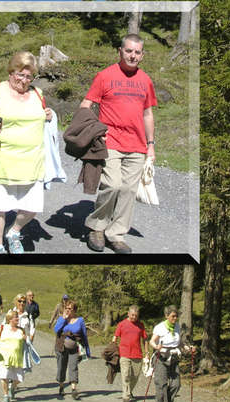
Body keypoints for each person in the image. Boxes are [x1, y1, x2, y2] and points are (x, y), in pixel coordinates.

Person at [80, 34, 157, 255]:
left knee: (129, 190)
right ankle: (96, 227)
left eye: (137, 52)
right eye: (129, 51)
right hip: (110, 141)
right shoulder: (105, 76)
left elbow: (148, 114)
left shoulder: (145, 80)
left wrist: (150, 144)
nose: (132, 55)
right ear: (120, 51)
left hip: (137, 144)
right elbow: (86, 106)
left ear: (143, 55)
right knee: (112, 185)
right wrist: (94, 132)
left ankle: (116, 234)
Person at [0, 51, 53, 254]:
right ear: (10, 71)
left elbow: (40, 117)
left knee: (32, 206)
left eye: (29, 76)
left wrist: (48, 115)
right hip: (0, 160)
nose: (24, 80)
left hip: (32, 161)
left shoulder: (37, 94)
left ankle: (14, 232)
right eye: (20, 74)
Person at [149, 306, 195, 402]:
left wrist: (187, 348)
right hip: (161, 357)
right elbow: (151, 341)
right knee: (162, 384)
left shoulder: (177, 327)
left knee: (176, 384)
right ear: (167, 316)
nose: (175, 318)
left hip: (174, 358)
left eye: (176, 316)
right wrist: (156, 346)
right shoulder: (160, 327)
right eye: (173, 316)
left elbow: (178, 342)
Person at [112, 305, 148, 402]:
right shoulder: (122, 324)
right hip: (124, 353)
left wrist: (147, 353)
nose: (134, 317)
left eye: (136, 316)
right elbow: (115, 337)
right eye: (132, 315)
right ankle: (126, 396)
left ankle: (128, 390)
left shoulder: (141, 325)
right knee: (125, 375)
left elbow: (145, 339)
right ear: (128, 313)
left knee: (136, 375)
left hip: (137, 354)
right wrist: (113, 349)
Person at [54, 300, 90, 399]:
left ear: (74, 310)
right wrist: (63, 319)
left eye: (70, 308)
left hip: (75, 347)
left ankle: (73, 389)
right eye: (66, 308)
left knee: (73, 367)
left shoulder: (80, 320)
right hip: (62, 346)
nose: (67, 310)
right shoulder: (62, 319)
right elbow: (56, 330)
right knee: (61, 366)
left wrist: (87, 350)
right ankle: (61, 386)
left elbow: (84, 335)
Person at [0, 310, 27, 402]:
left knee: (19, 379)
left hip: (17, 358)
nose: (18, 319)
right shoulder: (2, 328)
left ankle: (12, 387)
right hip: (3, 357)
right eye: (16, 317)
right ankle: (6, 395)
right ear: (10, 319)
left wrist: (26, 339)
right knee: (4, 376)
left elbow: (27, 344)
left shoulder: (21, 330)